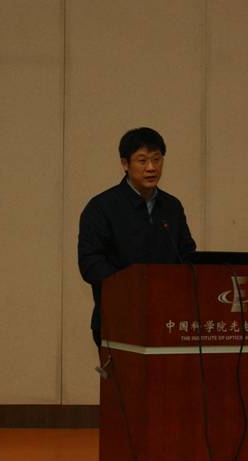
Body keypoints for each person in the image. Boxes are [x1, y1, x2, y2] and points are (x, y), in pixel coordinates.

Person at [78, 127, 196, 349]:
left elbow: (186, 254)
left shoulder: (171, 207)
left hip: (168, 319)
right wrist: (135, 287)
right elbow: (91, 263)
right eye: (142, 160)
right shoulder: (102, 207)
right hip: (119, 320)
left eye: (157, 159)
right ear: (125, 164)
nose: (151, 167)